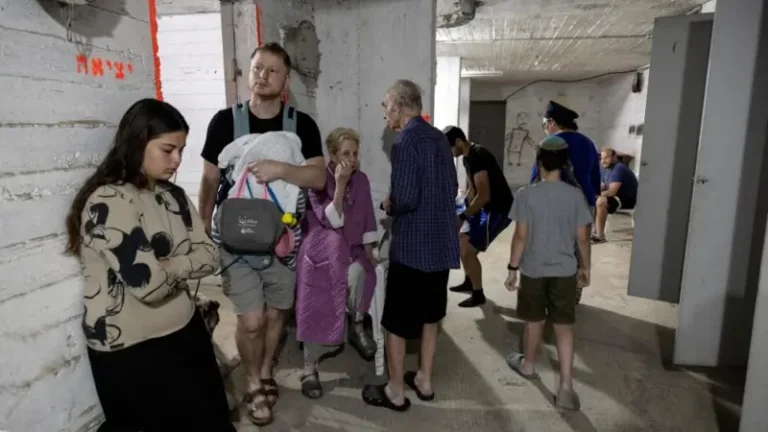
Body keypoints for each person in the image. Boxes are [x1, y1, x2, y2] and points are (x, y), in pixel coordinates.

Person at [64, 99, 234, 431]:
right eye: (168, 149)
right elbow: (150, 285)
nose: (177, 160)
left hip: (185, 329)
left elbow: (211, 256)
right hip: (131, 349)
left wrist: (169, 265)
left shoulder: (174, 197)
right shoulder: (109, 201)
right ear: (137, 142)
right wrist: (181, 265)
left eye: (181, 150)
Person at [197, 42, 325, 426]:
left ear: (286, 80)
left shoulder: (302, 125)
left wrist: (280, 169)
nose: (263, 76)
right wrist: (202, 226)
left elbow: (318, 178)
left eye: (272, 70)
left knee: (275, 315)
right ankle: (253, 381)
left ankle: (266, 368)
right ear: (248, 73)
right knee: (251, 320)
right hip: (236, 239)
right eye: (257, 68)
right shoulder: (224, 123)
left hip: (284, 239)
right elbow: (209, 179)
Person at [362, 79, 460, 412]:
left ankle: (395, 390)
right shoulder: (439, 138)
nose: (385, 114)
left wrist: (389, 203)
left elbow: (405, 198)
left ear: (400, 106)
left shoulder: (405, 141)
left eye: (386, 106)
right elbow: (452, 187)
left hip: (413, 249)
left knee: (396, 322)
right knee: (430, 317)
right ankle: (424, 380)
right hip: (441, 247)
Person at [505, 135, 592, 412]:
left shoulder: (526, 194)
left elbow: (520, 237)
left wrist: (512, 269)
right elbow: (582, 239)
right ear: (565, 163)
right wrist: (585, 267)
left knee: (534, 322)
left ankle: (528, 366)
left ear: (539, 161)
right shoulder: (575, 196)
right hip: (565, 271)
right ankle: (566, 387)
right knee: (564, 327)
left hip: (533, 270)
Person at [295, 127, 379, 399]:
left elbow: (368, 217)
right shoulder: (319, 179)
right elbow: (331, 220)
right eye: (345, 154)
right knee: (317, 293)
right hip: (321, 249)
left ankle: (356, 325)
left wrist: (369, 251)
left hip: (351, 249)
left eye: (355, 154)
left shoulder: (362, 180)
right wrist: (340, 186)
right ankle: (309, 366)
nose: (352, 159)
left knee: (363, 274)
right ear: (332, 156)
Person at [532, 101, 599, 305]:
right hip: (585, 204)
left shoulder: (549, 143)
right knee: (578, 249)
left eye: (545, 125)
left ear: (552, 122)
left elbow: (536, 180)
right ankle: (573, 294)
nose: (545, 129)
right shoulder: (588, 143)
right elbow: (595, 180)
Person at [443, 126, 513, 307]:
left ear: (458, 142)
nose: (449, 153)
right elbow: (472, 191)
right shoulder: (467, 157)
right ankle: (469, 281)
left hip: (497, 210)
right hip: (485, 209)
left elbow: (483, 195)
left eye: (449, 148)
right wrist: (461, 210)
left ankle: (478, 293)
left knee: (468, 249)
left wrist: (463, 216)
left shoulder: (478, 156)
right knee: (461, 240)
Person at [592, 147, 638, 243]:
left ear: (614, 157)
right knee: (591, 199)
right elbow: (602, 186)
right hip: (617, 198)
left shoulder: (619, 168)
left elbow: (612, 192)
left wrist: (596, 195)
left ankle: (600, 236)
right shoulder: (608, 170)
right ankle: (593, 232)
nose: (603, 161)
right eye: (602, 158)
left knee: (601, 201)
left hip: (628, 200)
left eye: (606, 158)